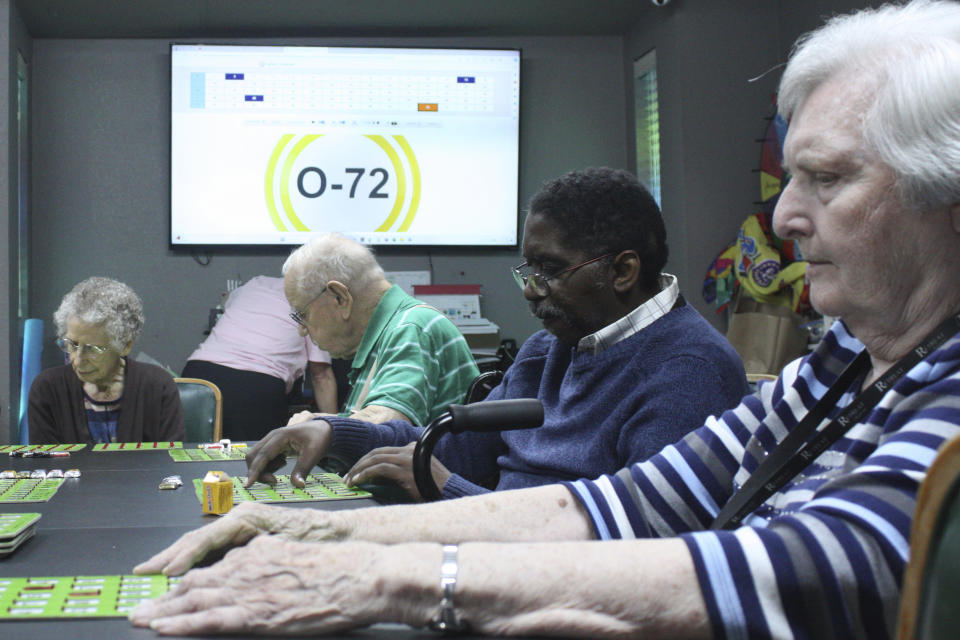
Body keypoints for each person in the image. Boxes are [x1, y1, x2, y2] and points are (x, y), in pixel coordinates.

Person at [131, 2, 960, 636]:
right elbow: (625, 504)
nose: (782, 218)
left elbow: (819, 568)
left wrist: (405, 581)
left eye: (826, 178)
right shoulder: (847, 356)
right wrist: (334, 543)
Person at [245, 168, 748, 496]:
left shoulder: (690, 371)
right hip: (496, 553)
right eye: (528, 271)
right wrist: (335, 431)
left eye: (550, 271)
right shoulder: (547, 352)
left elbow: (637, 545)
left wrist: (448, 491)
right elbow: (448, 450)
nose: (531, 292)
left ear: (622, 271)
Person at [280, 232, 479, 431]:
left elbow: (386, 427)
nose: (302, 330)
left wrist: (319, 427)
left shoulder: (411, 329)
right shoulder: (397, 329)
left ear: (340, 298)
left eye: (302, 314)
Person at [29, 277, 184, 444]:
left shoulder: (158, 386)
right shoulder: (47, 389)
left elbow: (170, 460)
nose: (78, 360)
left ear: (125, 345)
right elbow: (45, 465)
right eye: (72, 345)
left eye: (93, 349)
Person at [181, 275, 337, 441]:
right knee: (252, 460)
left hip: (197, 375)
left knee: (188, 456)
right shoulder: (315, 303)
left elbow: (227, 302)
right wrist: (338, 433)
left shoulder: (257, 282)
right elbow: (321, 376)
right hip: (255, 385)